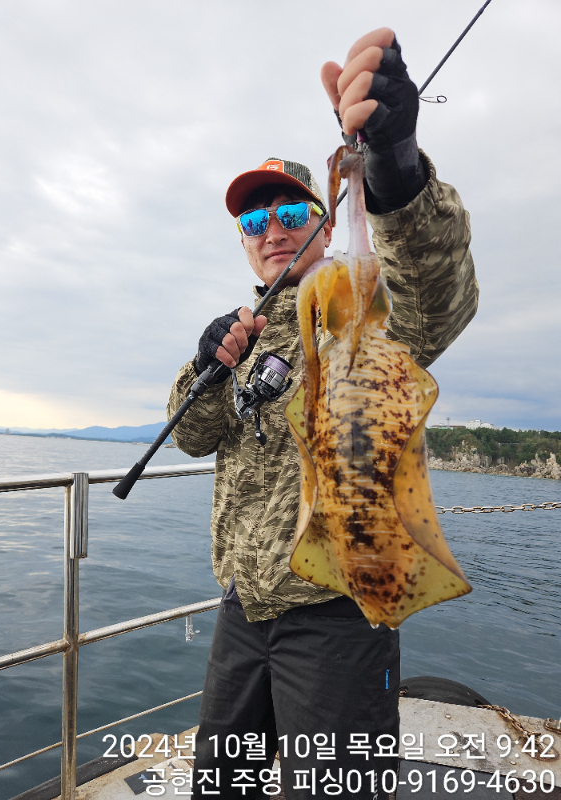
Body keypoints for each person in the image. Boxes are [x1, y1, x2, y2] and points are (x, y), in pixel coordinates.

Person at [167, 28, 478, 800]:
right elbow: (191, 438)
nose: (271, 231)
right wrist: (207, 369)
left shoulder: (360, 304)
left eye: (289, 213)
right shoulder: (239, 334)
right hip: (245, 606)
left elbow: (436, 297)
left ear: (326, 222)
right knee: (221, 784)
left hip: (339, 608)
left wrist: (395, 171)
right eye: (253, 222)